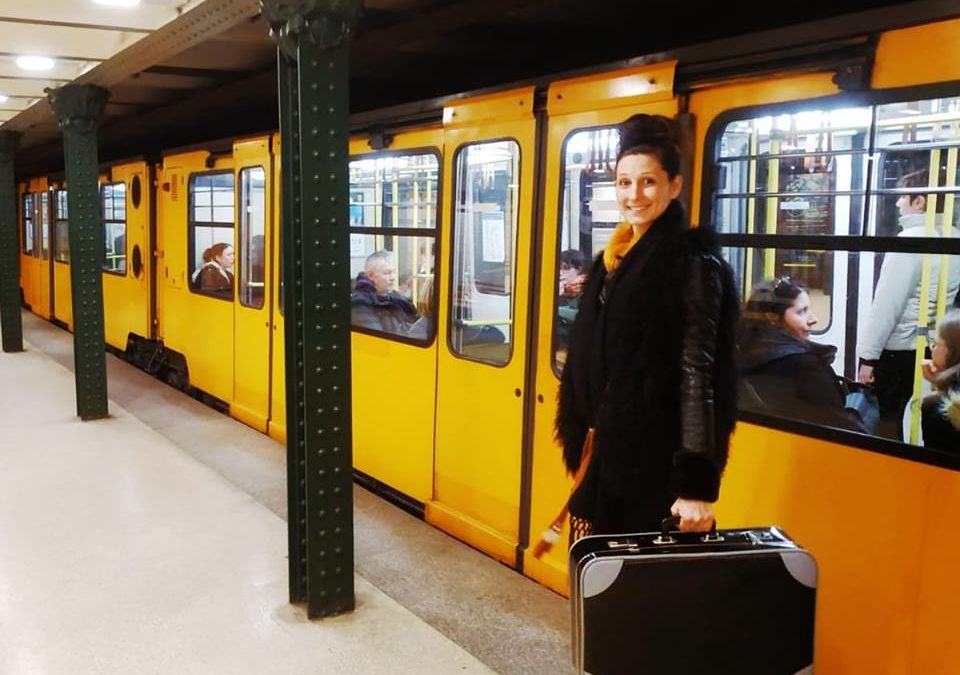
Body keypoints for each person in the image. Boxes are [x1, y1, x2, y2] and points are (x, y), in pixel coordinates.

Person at [554, 113, 740, 540]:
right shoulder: (614, 261)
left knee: (640, 595)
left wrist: (695, 486)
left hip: (655, 465)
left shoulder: (691, 265)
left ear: (674, 186)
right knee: (598, 582)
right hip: (604, 454)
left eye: (648, 182)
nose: (634, 195)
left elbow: (700, 376)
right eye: (623, 182)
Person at [857, 170, 960, 440]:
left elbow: (887, 306)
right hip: (930, 346)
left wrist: (868, 357)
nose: (897, 203)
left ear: (920, 201)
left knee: (885, 426)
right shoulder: (954, 235)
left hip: (897, 350)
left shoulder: (910, 240)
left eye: (902, 196)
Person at [738, 278, 867, 433]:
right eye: (801, 312)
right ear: (773, 318)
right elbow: (843, 429)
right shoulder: (805, 368)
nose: (813, 319)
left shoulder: (743, 353)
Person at [351, 250, 418, 334]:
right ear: (370, 276)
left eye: (394, 272)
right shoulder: (359, 303)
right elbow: (376, 338)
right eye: (387, 273)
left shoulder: (395, 296)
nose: (393, 277)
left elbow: (416, 322)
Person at [921, 310, 960, 451]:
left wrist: (938, 389)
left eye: (937, 344)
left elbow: (933, 463)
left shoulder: (934, 405)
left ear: (952, 351)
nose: (932, 349)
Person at [556, 249, 587, 354]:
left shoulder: (588, 291)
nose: (561, 273)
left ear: (579, 269)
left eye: (566, 268)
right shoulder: (559, 293)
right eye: (559, 268)